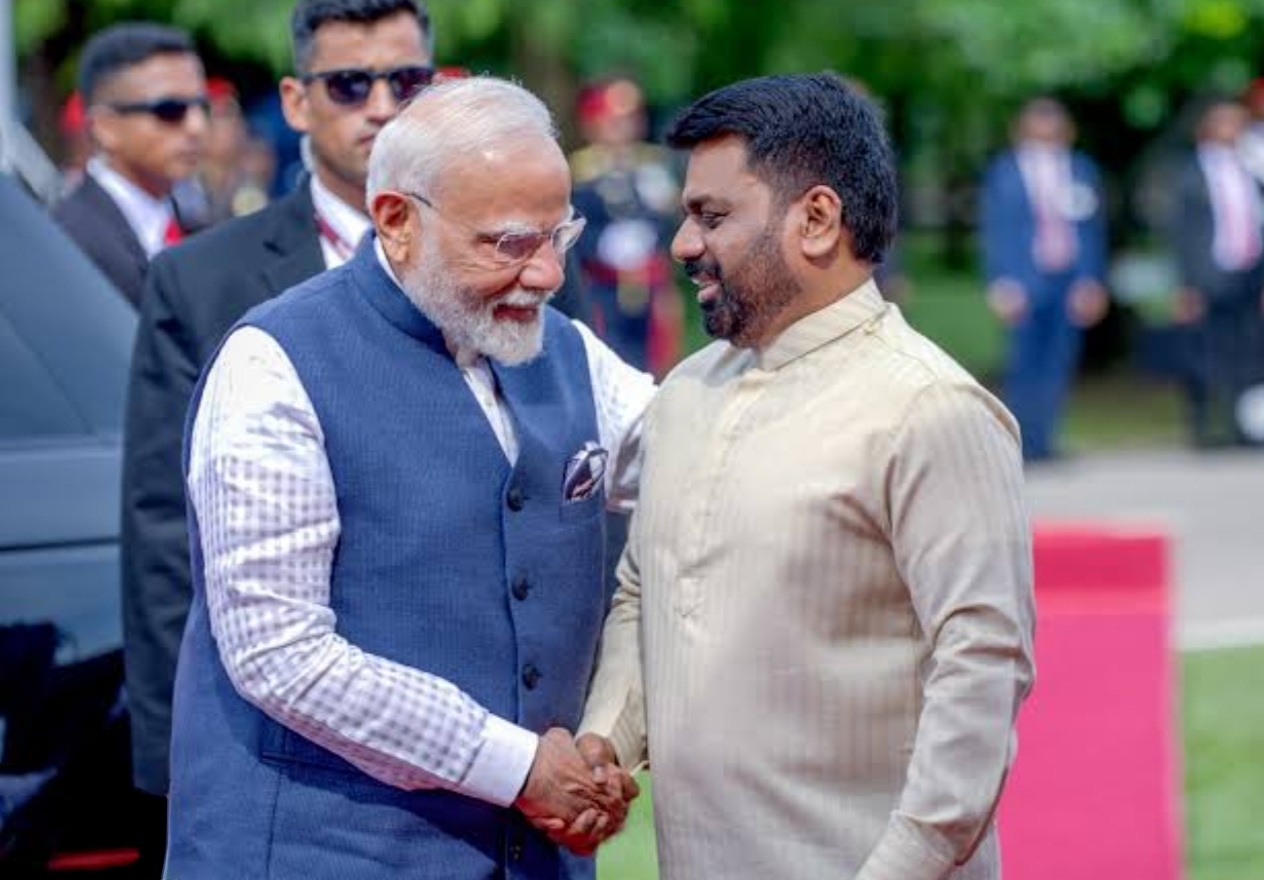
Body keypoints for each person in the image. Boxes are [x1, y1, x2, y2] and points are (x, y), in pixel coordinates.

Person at [166, 74, 650, 880]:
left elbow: (689, 468)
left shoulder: (566, 349)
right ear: (396, 222)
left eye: (558, 236)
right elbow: (281, 653)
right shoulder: (276, 363)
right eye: (509, 244)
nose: (546, 274)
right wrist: (516, 767)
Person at [577, 72, 1036, 880]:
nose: (683, 244)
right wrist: (604, 745)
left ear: (817, 219)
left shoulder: (929, 408)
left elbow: (982, 666)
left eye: (712, 216)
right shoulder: (686, 393)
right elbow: (646, 592)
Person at [980, 97, 1109, 462]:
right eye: (1039, 119)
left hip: (1068, 279)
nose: (1046, 127)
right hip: (1024, 280)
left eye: (1053, 119)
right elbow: (997, 230)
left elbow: (1092, 229)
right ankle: (1019, 440)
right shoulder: (1006, 170)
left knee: (1058, 361)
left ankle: (1046, 438)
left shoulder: (1080, 169)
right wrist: (1002, 282)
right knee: (1023, 363)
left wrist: (1090, 280)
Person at [52, 23, 208, 307]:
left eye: (202, 107)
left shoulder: (201, 226)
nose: (196, 126)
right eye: (170, 110)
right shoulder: (64, 242)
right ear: (104, 127)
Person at [569, 75, 684, 378]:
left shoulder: (652, 165)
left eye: (631, 118)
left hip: (650, 283)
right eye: (614, 120)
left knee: (657, 362)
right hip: (602, 286)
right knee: (608, 360)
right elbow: (576, 231)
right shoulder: (580, 171)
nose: (624, 127)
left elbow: (670, 223)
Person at [1172, 97, 1264, 447]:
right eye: (1224, 121)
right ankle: (1206, 427)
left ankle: (1245, 426)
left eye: (1238, 122)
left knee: (1249, 354)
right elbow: (1181, 233)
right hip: (1208, 275)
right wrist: (1187, 284)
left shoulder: (1253, 166)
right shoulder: (1189, 172)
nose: (1232, 129)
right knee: (1205, 353)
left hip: (1249, 273)